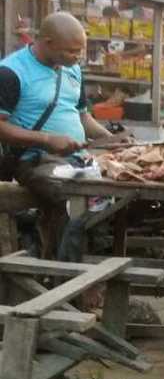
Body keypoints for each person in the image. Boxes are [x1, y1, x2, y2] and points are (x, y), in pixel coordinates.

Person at [0, 13, 116, 258]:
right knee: (78, 199)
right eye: (72, 51)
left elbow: (83, 117)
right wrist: (47, 140)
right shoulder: (11, 72)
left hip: (78, 158)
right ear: (48, 42)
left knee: (113, 194)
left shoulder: (72, 69)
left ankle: (77, 267)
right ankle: (67, 280)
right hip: (34, 160)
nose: (78, 57)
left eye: (80, 51)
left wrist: (112, 139)